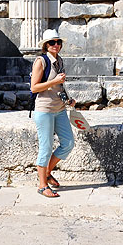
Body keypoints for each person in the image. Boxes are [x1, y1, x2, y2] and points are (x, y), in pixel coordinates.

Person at [31, 28, 76, 198]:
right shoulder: (40, 61)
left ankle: (48, 171)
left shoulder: (60, 60)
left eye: (58, 42)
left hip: (60, 108)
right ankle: (42, 185)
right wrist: (54, 80)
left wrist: (68, 100)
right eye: (52, 42)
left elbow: (59, 87)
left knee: (68, 143)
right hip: (44, 109)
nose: (55, 45)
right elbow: (34, 87)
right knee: (46, 147)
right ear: (45, 45)